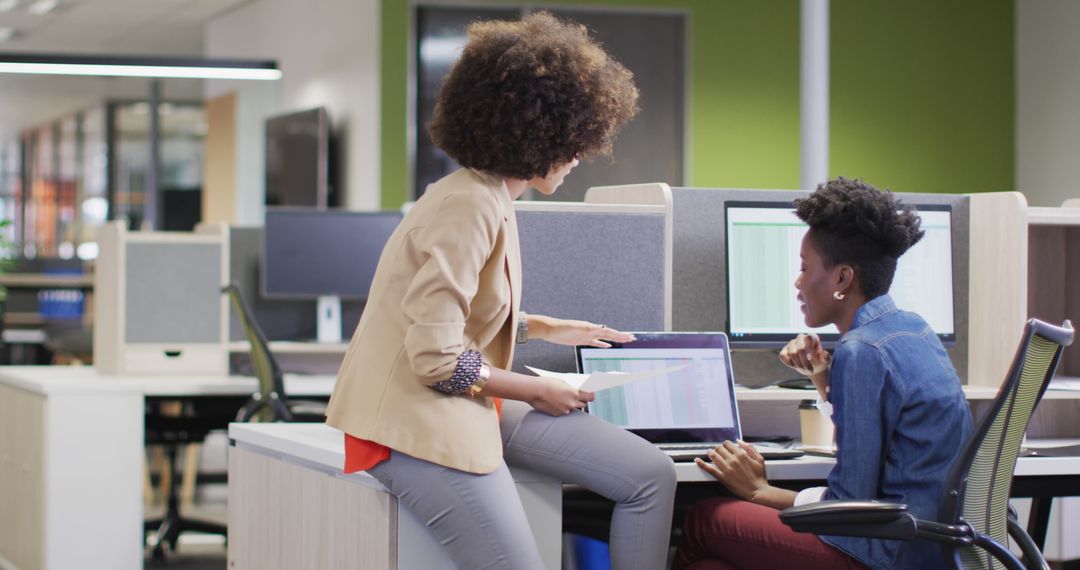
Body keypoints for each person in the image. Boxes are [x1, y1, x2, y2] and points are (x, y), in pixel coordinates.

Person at [325, 12, 676, 570]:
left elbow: (457, 314)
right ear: (534, 132)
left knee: (649, 476)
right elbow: (436, 359)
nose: (580, 154)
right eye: (572, 139)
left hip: (455, 401)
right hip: (412, 420)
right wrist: (536, 391)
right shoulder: (469, 205)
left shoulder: (489, 196)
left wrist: (551, 327)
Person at [674, 178, 974, 570]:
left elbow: (848, 503)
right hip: (934, 547)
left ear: (842, 279)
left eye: (804, 267)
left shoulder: (861, 350)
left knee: (705, 519)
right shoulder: (913, 328)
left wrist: (760, 491)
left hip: (886, 552)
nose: (798, 282)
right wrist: (823, 378)